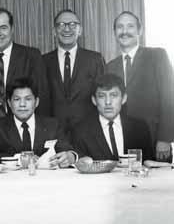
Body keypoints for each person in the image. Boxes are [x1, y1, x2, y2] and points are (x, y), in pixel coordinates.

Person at [107, 11, 174, 161]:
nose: (124, 31)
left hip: (154, 141)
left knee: (155, 184)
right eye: (120, 27)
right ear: (114, 32)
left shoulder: (157, 56)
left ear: (140, 31)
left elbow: (169, 98)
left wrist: (164, 138)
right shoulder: (110, 66)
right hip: (123, 142)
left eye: (130, 26)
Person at [0, 7, 49, 143]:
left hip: (22, 127)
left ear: (12, 29)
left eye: (3, 27)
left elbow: (43, 97)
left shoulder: (31, 56)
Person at [0, 77, 76, 167]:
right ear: (9, 103)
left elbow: (68, 151)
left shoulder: (52, 125)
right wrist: (19, 158)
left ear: (36, 102)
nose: (22, 104)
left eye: (28, 99)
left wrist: (71, 157)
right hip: (11, 181)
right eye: (17, 99)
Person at [43, 9, 105, 139]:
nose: (67, 29)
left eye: (72, 24)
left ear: (80, 30)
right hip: (53, 135)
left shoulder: (94, 59)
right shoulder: (43, 61)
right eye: (61, 25)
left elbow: (102, 96)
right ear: (54, 31)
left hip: (89, 134)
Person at [72, 74, 154, 161]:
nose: (108, 102)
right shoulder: (81, 131)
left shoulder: (140, 128)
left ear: (124, 99)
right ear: (94, 100)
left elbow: (148, 164)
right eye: (102, 96)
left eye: (114, 95)